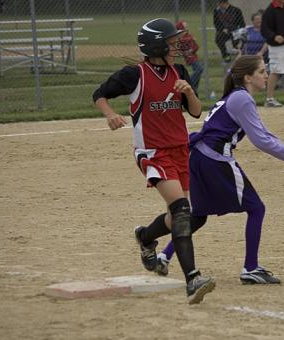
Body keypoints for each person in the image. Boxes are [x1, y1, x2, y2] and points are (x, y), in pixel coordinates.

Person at [152, 55, 284, 284]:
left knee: (199, 216)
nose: (265, 74)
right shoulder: (242, 99)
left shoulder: (236, 97)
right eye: (261, 71)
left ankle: (164, 256)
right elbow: (261, 140)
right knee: (256, 208)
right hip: (215, 159)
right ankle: (250, 268)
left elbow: (264, 133)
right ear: (247, 77)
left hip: (199, 158)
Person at [92, 18, 215, 304]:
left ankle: (146, 237)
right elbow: (99, 94)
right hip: (153, 152)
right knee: (183, 212)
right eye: (172, 43)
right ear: (156, 45)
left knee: (176, 218)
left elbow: (196, 112)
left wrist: (189, 92)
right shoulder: (135, 74)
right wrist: (110, 114)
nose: (177, 48)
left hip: (180, 150)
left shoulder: (179, 71)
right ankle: (193, 279)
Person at [175, 20, 204, 91]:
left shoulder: (188, 35)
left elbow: (196, 47)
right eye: (185, 27)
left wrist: (192, 48)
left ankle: (194, 89)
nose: (187, 28)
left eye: (187, 26)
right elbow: (183, 48)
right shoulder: (182, 38)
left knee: (198, 73)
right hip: (190, 58)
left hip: (193, 56)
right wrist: (192, 40)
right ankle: (189, 83)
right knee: (199, 69)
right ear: (181, 28)